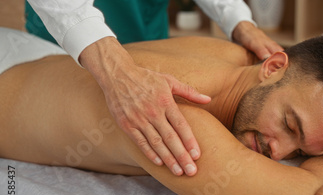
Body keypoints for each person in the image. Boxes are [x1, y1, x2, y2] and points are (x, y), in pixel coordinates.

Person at [0, 32, 323, 195]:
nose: (281, 153)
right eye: (290, 126)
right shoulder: (172, 118)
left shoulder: (238, 58)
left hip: (26, 65)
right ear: (273, 67)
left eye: (303, 152)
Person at [25, 0, 284, 177]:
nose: (280, 153)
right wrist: (115, 70)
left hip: (144, 31)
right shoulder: (195, 118)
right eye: (289, 123)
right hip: (57, 42)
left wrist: (239, 20)